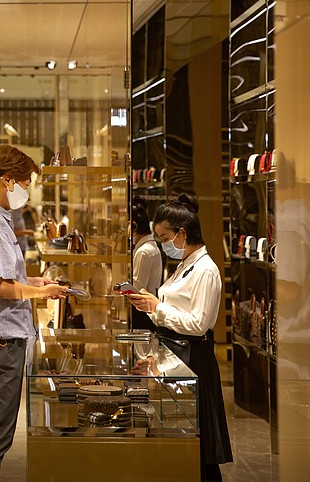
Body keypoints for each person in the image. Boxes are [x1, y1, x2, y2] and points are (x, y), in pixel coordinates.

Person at [0, 144, 69, 481]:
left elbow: (1, 279)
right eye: (24, 183)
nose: (26, 191)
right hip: (0, 343)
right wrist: (40, 292)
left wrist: (31, 280)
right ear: (7, 181)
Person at [128, 193, 233, 481]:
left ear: (183, 233)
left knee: (198, 443)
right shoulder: (184, 265)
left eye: (164, 238)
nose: (162, 245)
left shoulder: (206, 271)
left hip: (193, 358)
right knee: (183, 439)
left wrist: (157, 307)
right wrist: (151, 304)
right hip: (175, 354)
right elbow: (173, 308)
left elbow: (199, 324)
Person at [129, 195, 163, 331]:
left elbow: (137, 289)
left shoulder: (144, 252)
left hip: (143, 313)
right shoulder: (150, 247)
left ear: (133, 226)